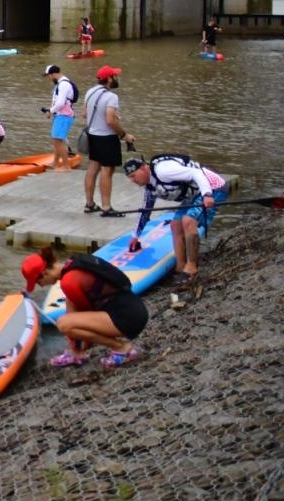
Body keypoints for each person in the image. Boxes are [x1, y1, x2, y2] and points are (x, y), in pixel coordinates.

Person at [24, 249, 147, 369]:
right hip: (132, 308)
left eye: (38, 282)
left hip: (128, 318)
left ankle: (122, 348)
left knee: (63, 324)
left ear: (44, 273)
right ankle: (76, 353)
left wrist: (83, 341)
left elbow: (85, 316)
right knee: (69, 308)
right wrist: (77, 345)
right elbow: (76, 313)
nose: (40, 285)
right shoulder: (73, 264)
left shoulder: (69, 282)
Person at [123, 154, 228, 284]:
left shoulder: (163, 171)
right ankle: (180, 267)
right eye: (129, 178)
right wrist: (135, 236)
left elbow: (196, 173)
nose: (132, 180)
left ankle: (191, 269)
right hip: (195, 193)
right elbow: (145, 211)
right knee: (175, 225)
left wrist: (207, 194)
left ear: (144, 168)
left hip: (213, 188)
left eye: (133, 176)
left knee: (188, 221)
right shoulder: (149, 187)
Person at [81, 65, 136, 215]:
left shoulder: (90, 92)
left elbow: (85, 114)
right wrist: (124, 135)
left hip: (93, 135)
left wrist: (106, 114)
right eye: (115, 76)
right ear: (109, 79)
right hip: (107, 138)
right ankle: (106, 207)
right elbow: (110, 121)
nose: (117, 78)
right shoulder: (111, 96)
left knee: (92, 169)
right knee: (107, 171)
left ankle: (89, 204)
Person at [41, 64, 78, 170]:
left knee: (57, 141)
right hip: (61, 115)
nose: (49, 78)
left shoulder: (63, 85)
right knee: (57, 140)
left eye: (49, 75)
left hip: (64, 116)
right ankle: (55, 163)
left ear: (53, 74)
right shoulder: (60, 84)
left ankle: (66, 166)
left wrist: (51, 111)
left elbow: (61, 103)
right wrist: (51, 110)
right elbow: (57, 101)